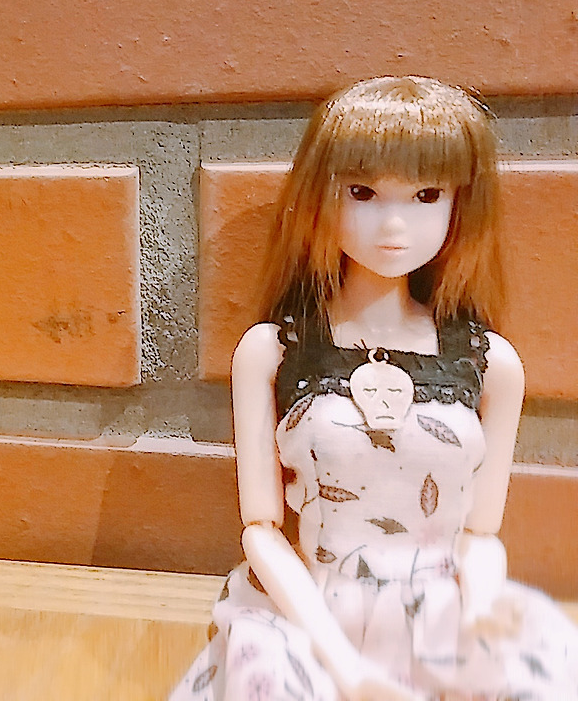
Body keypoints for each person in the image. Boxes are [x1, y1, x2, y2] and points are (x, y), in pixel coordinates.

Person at [171, 76, 578, 700]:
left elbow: (480, 536)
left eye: (426, 195)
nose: (394, 223)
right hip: (310, 614)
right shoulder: (275, 353)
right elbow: (261, 531)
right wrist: (342, 664)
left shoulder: (490, 363)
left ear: (460, 204)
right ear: (320, 197)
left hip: (441, 617)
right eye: (361, 192)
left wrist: (477, 616)